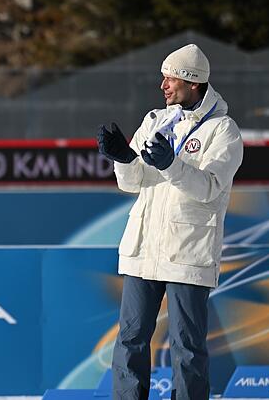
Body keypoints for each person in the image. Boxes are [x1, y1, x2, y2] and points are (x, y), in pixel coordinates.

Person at [97, 44, 243, 400]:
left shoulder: (223, 131)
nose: (163, 85)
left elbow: (208, 187)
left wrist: (171, 165)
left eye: (171, 77)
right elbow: (133, 183)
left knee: (187, 346)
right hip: (144, 247)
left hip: (187, 252)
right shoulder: (155, 119)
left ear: (193, 82)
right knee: (130, 338)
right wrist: (123, 159)